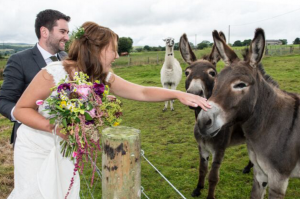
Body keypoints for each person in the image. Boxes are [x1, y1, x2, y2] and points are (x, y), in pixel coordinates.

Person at [9, 21, 212, 198]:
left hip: (65, 149)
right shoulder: (53, 73)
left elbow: (141, 92)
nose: (116, 55)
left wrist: (178, 94)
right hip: (36, 148)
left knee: (64, 193)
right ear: (96, 50)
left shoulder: (102, 76)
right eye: (112, 50)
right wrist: (56, 128)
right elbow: (20, 110)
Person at [0, 9, 70, 145]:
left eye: (67, 33)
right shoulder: (19, 60)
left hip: (63, 140)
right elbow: (3, 101)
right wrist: (27, 116)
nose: (67, 37)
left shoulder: (66, 58)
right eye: (62, 32)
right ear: (44, 32)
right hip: (31, 140)